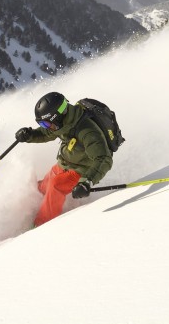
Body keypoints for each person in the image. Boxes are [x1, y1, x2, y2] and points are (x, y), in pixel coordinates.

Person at [15, 91, 113, 227]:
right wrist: (30, 135)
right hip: (64, 164)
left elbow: (104, 158)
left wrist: (86, 181)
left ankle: (40, 225)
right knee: (44, 186)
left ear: (57, 117)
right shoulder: (64, 122)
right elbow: (46, 133)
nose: (46, 127)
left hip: (80, 171)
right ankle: (32, 204)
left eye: (46, 124)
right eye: (43, 124)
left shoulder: (87, 131)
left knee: (56, 186)